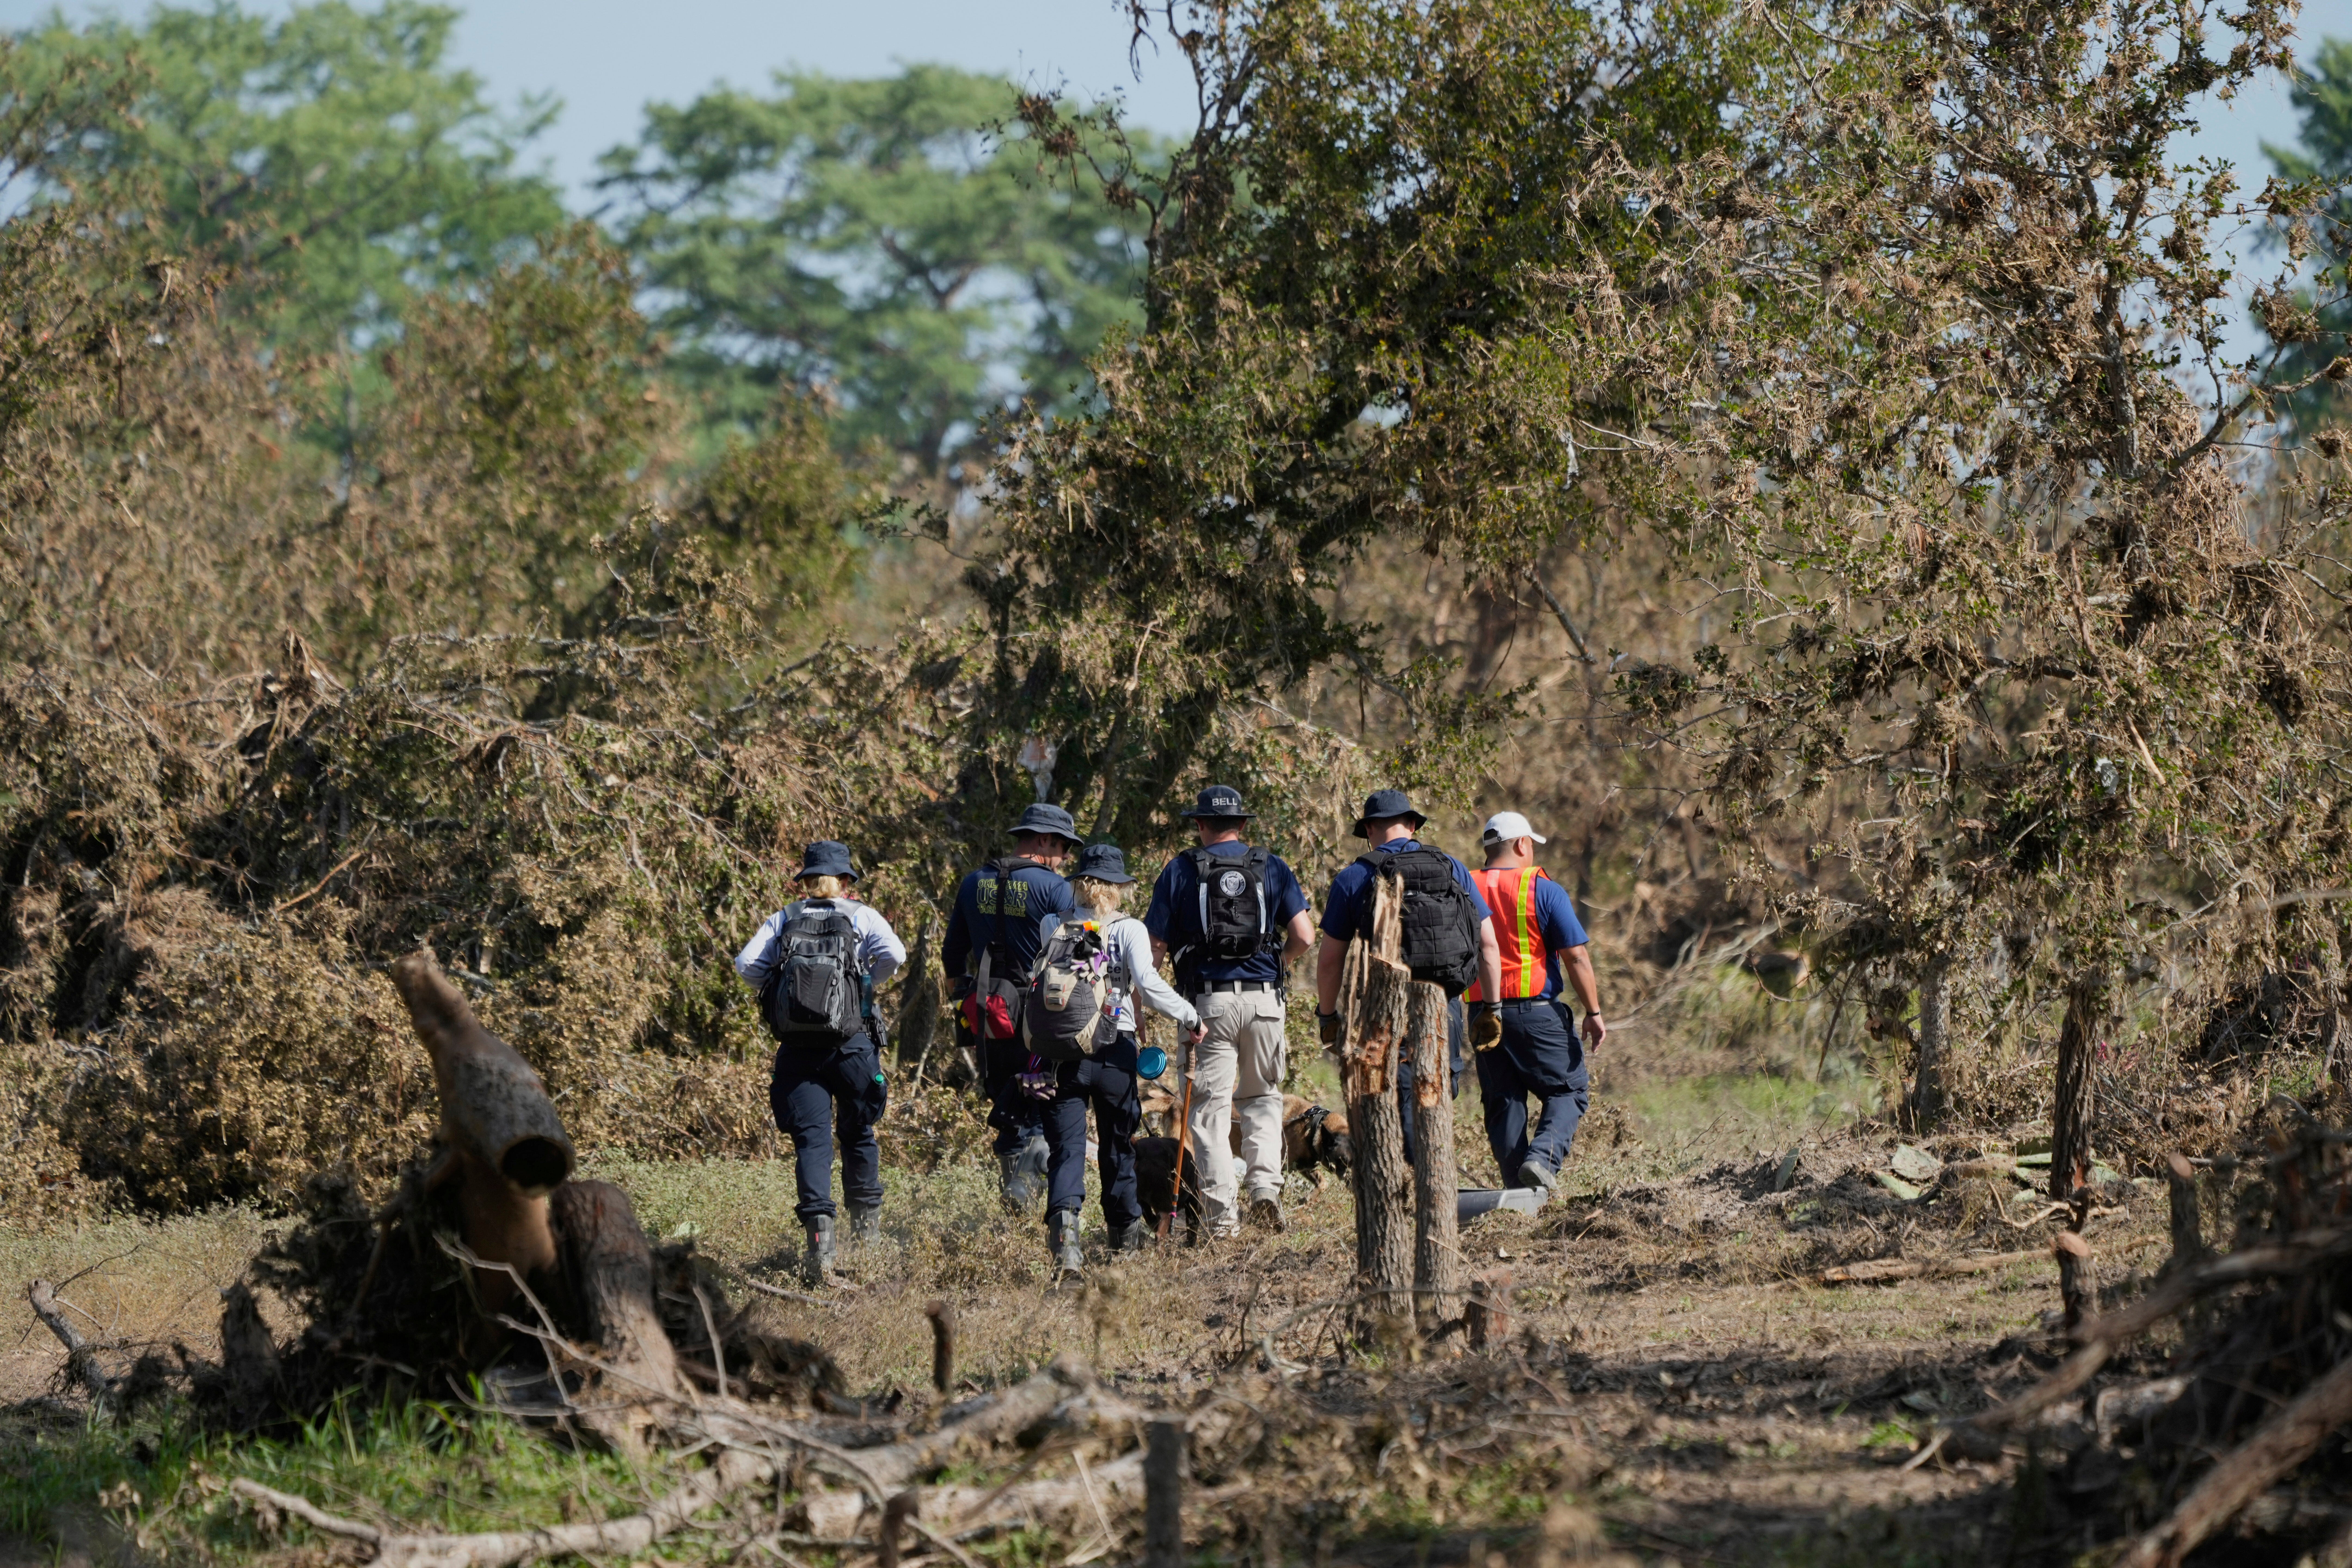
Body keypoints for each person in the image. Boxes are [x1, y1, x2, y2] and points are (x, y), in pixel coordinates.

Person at [1144, 785, 1316, 1236]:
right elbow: (1305, 935)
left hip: (1206, 1006)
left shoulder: (1180, 871)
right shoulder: (1271, 865)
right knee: (1262, 1099)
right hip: (1264, 1003)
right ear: (1242, 824)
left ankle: (1223, 1223)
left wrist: (1145, 1004)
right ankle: (1265, 1190)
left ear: (1200, 825)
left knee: (1208, 1112)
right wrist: (1279, 964)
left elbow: (1156, 948)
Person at [734, 841, 906, 1286]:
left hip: (798, 1053)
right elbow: (896, 955)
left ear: (807, 881)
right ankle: (867, 1243)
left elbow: (747, 965)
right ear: (846, 882)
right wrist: (864, 983)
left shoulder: (785, 918)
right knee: (858, 1133)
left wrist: (780, 990)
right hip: (853, 1046)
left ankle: (820, 1258)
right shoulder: (862, 916)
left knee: (813, 1145)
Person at [1313, 790, 1504, 1159]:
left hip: (1384, 1009)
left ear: (1369, 829)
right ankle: (1435, 1186)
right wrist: (1491, 1008)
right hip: (1442, 1004)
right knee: (1437, 1092)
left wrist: (1328, 1016)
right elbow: (1489, 946)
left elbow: (1329, 961)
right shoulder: (1452, 868)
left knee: (1399, 1098)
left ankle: (1411, 1183)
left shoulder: (1354, 877)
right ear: (1413, 825)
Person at [1038, 843, 1201, 1270]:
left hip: (1063, 1052)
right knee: (1117, 1148)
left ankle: (1066, 1243)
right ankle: (1124, 1243)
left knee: (1068, 1149)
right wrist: (1189, 1016)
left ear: (1079, 883)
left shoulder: (1051, 925)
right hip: (1114, 1049)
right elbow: (1146, 984)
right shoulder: (1129, 929)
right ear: (1118, 887)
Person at [942, 802, 1081, 1209]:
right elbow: (1084, 954)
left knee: (1006, 1099)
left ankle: (1014, 1203)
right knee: (1043, 1100)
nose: (1066, 857)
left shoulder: (972, 882)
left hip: (989, 1012)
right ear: (1043, 841)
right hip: (1041, 1013)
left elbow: (953, 955)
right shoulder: (1057, 888)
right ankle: (1022, 1187)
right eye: (1063, 847)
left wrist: (965, 1005)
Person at [1466, 811, 1607, 1193]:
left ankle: (1519, 1193)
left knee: (1504, 1103)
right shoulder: (1541, 888)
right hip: (1536, 1015)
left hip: (1481, 1015)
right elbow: (1576, 956)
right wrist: (1593, 1012)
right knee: (1569, 1090)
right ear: (1522, 845)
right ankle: (1541, 1162)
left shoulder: (1464, 887)